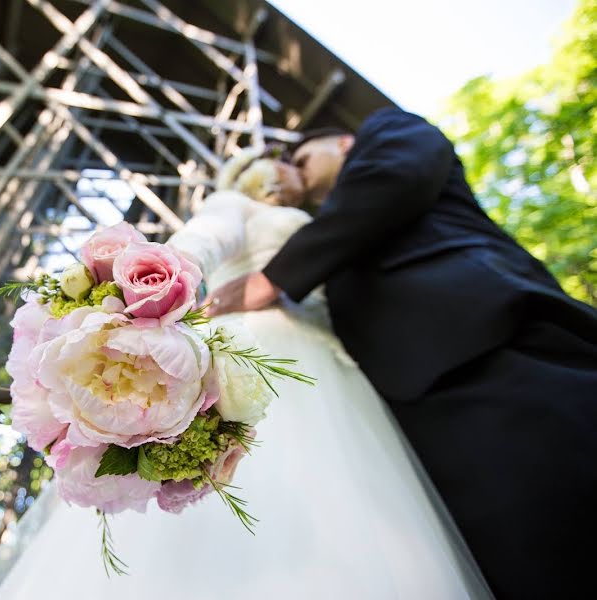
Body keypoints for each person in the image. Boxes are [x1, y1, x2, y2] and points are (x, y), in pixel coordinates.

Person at [0, 146, 491, 600]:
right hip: (260, 342)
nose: (293, 170)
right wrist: (144, 292)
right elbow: (206, 241)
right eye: (285, 161)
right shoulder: (237, 203)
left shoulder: (335, 220)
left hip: (330, 358)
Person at [207, 109, 597, 599]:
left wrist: (273, 278)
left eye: (302, 157)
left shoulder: (386, 133)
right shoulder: (316, 221)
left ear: (344, 144)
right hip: (410, 399)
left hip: (489, 338)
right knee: (522, 553)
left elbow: (398, 178)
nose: (295, 169)